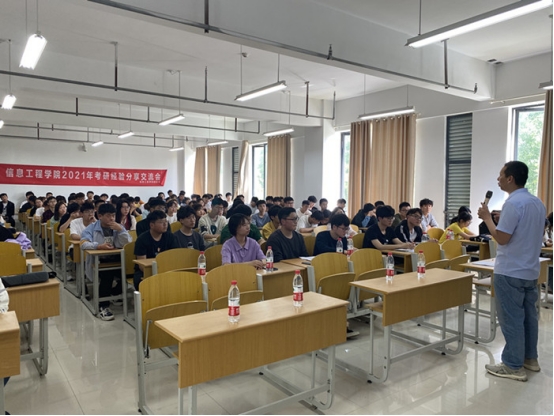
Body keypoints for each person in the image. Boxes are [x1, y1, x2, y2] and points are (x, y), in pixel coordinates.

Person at [478, 161, 546, 382]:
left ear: (510, 178)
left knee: (512, 319)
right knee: (529, 317)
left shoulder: (513, 203)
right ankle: (530, 359)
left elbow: (502, 238)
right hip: (530, 270)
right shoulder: (537, 203)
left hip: (510, 271)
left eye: (501, 175)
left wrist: (487, 218)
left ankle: (512, 365)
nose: (498, 179)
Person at [81, 203, 132, 321]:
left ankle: (115, 293)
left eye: (113, 215)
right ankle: (103, 306)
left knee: (129, 272)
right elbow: (83, 244)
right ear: (100, 216)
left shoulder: (118, 227)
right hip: (99, 260)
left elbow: (128, 243)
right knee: (107, 275)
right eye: (108, 216)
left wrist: (121, 231)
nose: (112, 218)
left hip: (117, 258)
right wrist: (98, 246)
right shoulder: (91, 228)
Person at [134, 210, 179, 290]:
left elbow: (175, 257)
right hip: (145, 272)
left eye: (166, 221)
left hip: (167, 270)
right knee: (143, 284)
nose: (165, 224)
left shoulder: (170, 237)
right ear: (152, 225)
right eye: (161, 222)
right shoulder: (142, 239)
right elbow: (142, 265)